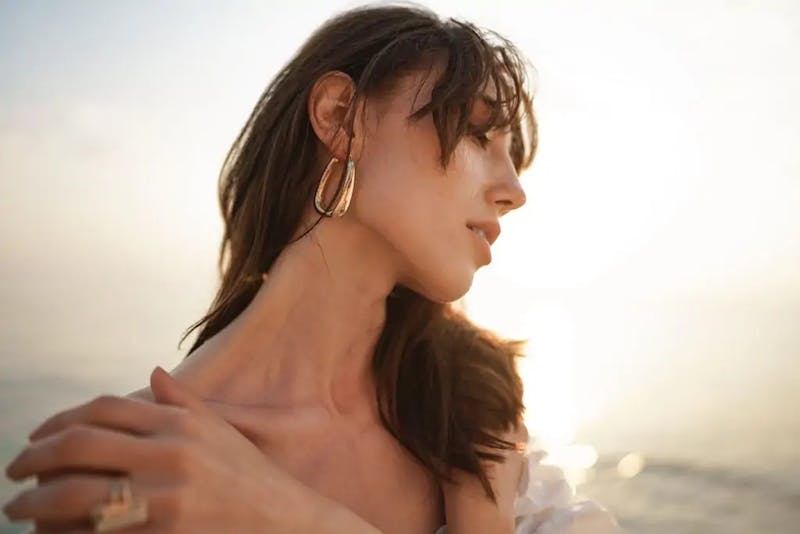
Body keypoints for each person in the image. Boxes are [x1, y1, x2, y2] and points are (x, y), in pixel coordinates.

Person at [3, 3, 620, 533]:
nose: (514, 191)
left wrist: (289, 514)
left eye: (513, 157)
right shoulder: (137, 473)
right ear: (340, 116)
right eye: (479, 134)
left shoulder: (471, 403)